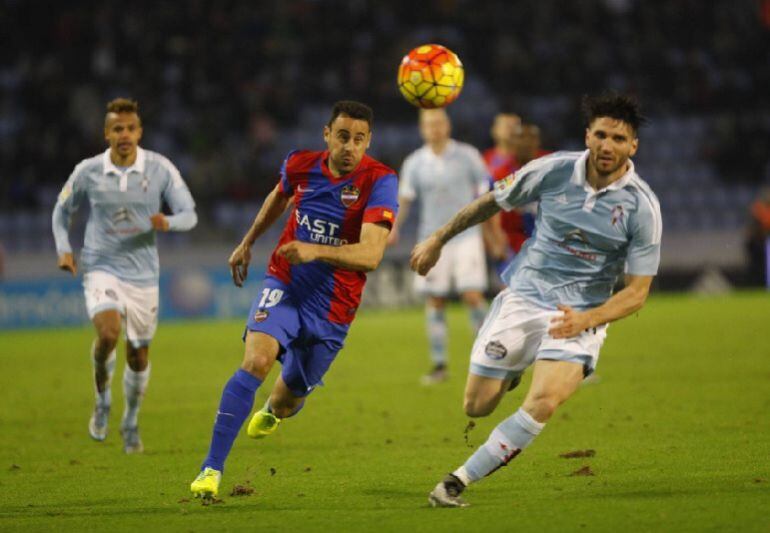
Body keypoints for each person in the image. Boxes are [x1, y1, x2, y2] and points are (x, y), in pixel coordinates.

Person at [410, 92, 662, 507]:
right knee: (476, 405)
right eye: (601, 135)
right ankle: (511, 373)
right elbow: (491, 201)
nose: (607, 145)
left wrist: (589, 319)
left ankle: (457, 481)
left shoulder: (642, 207)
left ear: (632, 145)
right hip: (524, 297)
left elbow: (637, 292)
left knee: (543, 400)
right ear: (588, 135)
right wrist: (438, 238)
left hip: (579, 314)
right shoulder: (553, 170)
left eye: (618, 138)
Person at [190, 101, 398, 500]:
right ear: (326, 134)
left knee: (287, 402)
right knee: (256, 361)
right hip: (285, 284)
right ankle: (210, 469)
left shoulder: (380, 181)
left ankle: (272, 409)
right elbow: (278, 196)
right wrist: (248, 241)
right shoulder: (301, 164)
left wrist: (314, 250)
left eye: (359, 139)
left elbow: (371, 256)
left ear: (369, 141)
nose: (349, 146)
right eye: (342, 136)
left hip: (334, 308)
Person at [52, 98, 197, 453]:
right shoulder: (88, 171)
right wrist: (63, 248)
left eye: (131, 128)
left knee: (138, 355)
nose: (125, 135)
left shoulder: (160, 168)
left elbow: (190, 214)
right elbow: (61, 210)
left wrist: (168, 221)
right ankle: (102, 402)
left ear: (139, 132)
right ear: (107, 134)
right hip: (101, 267)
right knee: (108, 334)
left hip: (144, 276)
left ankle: (130, 419)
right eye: (117, 129)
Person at [389, 108, 492, 384]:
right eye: (429, 124)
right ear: (422, 129)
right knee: (435, 300)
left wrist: (490, 228)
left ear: (448, 125)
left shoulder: (468, 155)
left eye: (439, 122)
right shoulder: (415, 162)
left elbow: (486, 193)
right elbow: (405, 199)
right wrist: (394, 227)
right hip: (431, 240)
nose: (434, 128)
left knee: (472, 295)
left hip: (466, 236)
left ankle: (488, 359)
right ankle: (439, 364)